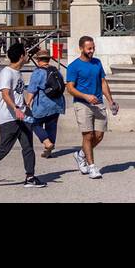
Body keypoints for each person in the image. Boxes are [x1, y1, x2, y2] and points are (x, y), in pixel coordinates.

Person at [0, 41, 43, 189]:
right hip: (9, 117)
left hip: (22, 115)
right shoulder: (7, 72)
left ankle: (30, 177)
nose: (27, 56)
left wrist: (25, 107)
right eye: (25, 53)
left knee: (28, 147)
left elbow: (17, 94)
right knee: (4, 148)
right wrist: (16, 109)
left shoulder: (18, 73)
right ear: (21, 56)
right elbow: (5, 94)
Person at [64, 35, 117, 179]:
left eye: (93, 48)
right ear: (81, 48)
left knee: (99, 136)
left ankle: (80, 154)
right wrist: (86, 96)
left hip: (98, 103)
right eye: (89, 48)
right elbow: (70, 88)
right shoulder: (74, 66)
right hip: (82, 104)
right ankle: (92, 167)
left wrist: (110, 100)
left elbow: (103, 83)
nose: (92, 50)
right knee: (88, 135)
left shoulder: (97, 63)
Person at [24, 50, 65, 158]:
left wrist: (27, 103)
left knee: (34, 123)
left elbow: (32, 89)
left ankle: (47, 143)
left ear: (38, 60)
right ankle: (49, 152)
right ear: (48, 59)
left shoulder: (38, 72)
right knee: (51, 126)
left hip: (43, 104)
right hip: (57, 104)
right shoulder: (56, 70)